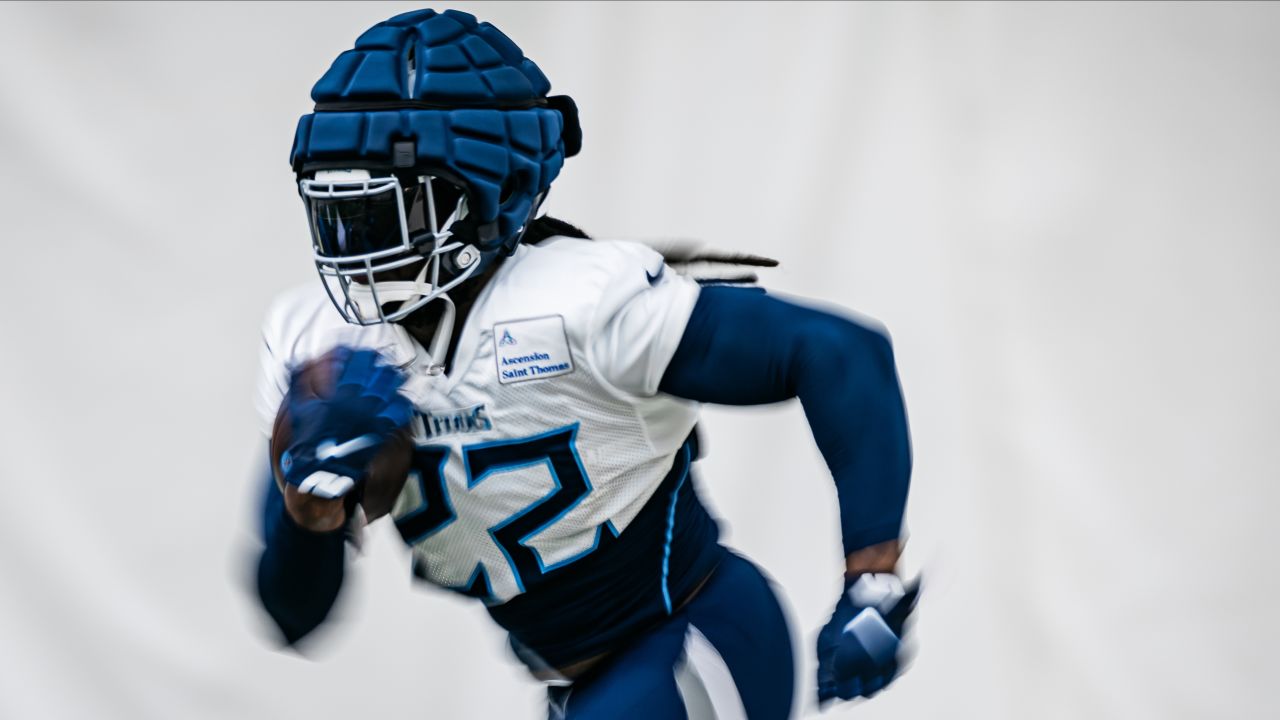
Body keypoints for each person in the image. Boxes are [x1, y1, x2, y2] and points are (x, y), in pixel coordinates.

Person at [253, 9, 917, 719]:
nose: (353, 240)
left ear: (481, 191)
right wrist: (308, 506)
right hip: (581, 689)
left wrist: (871, 579)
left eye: (382, 210)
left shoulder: (581, 304)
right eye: (337, 208)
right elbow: (292, 613)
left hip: (699, 634)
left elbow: (838, 352)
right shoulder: (321, 349)